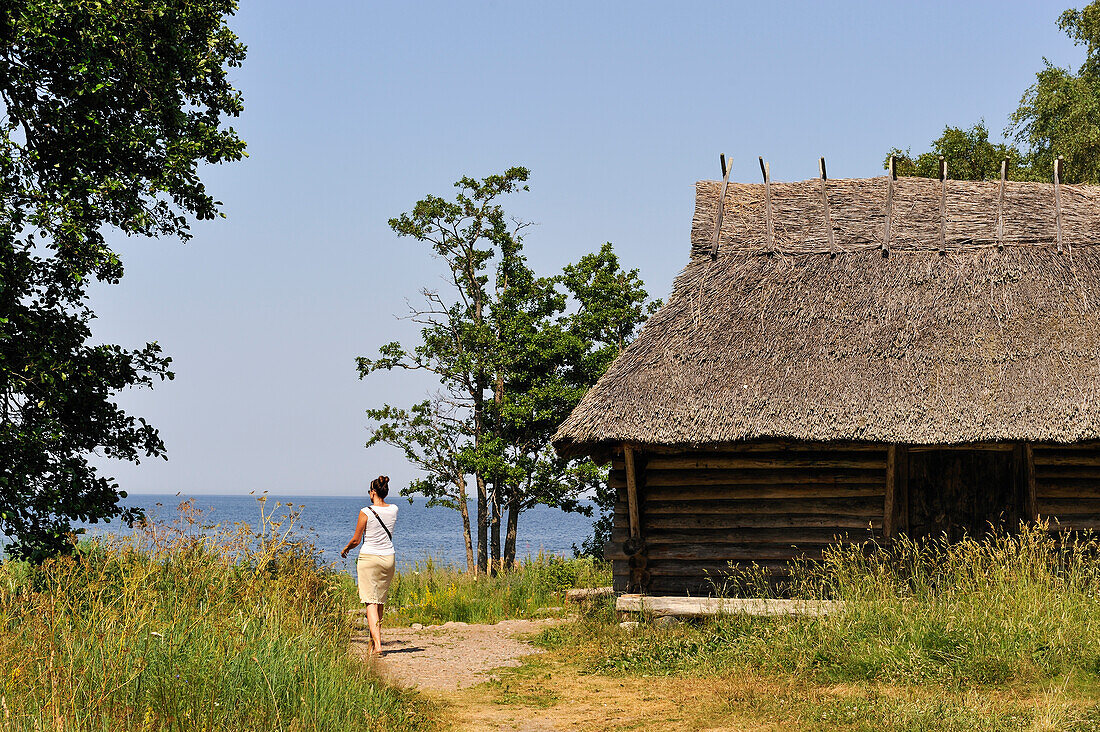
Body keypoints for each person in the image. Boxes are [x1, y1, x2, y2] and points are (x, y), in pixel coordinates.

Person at [341, 475, 398, 655]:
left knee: (370, 602)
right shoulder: (394, 509)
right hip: (388, 558)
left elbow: (357, 539)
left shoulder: (365, 511)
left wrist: (346, 549)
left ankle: (378, 646)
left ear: (373, 492)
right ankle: (373, 644)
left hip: (369, 559)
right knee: (379, 601)